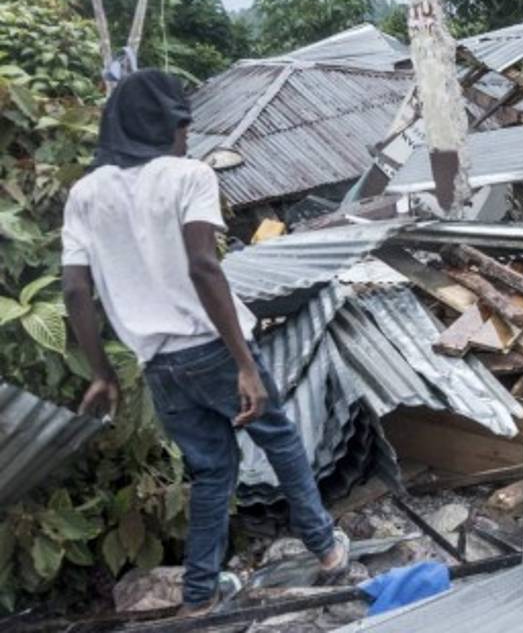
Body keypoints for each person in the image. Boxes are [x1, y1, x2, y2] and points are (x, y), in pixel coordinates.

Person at [61, 69, 348, 615]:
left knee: (213, 471)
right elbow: (203, 266)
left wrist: (102, 373)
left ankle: (199, 597)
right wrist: (243, 361)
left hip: (159, 365)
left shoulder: (85, 193)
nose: (188, 136)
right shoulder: (188, 176)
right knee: (281, 440)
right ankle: (326, 548)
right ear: (163, 125)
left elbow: (76, 290)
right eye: (183, 125)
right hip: (213, 347)